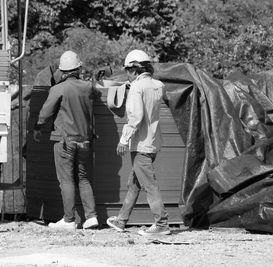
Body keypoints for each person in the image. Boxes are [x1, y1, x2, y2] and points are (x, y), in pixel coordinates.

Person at [106, 49, 170, 236]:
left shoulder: (136, 87)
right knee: (134, 183)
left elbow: (135, 117)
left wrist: (124, 140)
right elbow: (148, 103)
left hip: (140, 144)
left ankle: (162, 224)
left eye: (128, 70)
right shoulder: (158, 85)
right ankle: (121, 220)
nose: (127, 73)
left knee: (149, 185)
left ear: (134, 69)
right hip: (153, 142)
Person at [33, 50, 98, 230]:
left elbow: (45, 113)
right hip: (85, 140)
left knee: (67, 180)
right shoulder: (89, 88)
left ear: (62, 71)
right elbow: (97, 95)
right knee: (84, 179)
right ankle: (91, 217)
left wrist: (38, 128)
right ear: (78, 68)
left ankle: (69, 220)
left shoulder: (58, 89)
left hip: (65, 141)